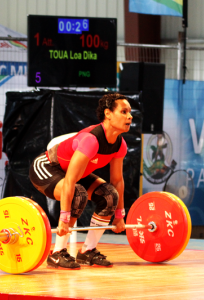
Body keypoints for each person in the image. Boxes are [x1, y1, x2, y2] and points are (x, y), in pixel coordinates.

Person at [29, 93, 132, 269]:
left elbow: (117, 180)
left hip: (75, 175)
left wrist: (119, 215)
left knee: (109, 195)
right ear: (108, 114)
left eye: (130, 112)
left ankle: (87, 251)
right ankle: (56, 253)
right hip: (47, 168)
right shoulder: (91, 139)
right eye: (124, 111)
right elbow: (70, 180)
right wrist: (63, 219)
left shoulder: (119, 144)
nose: (130, 116)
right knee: (78, 192)